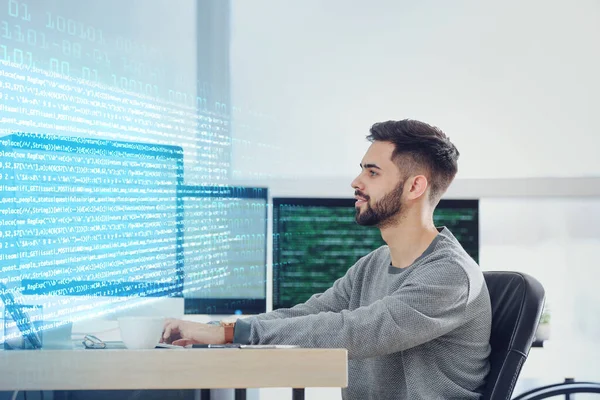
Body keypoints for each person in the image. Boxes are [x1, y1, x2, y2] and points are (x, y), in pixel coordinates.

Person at [162, 119, 492, 399]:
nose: (357, 182)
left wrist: (233, 333)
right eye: (362, 170)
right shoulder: (374, 264)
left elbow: (359, 330)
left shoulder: (450, 274)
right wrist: (224, 329)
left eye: (373, 173)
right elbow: (310, 313)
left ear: (415, 186)